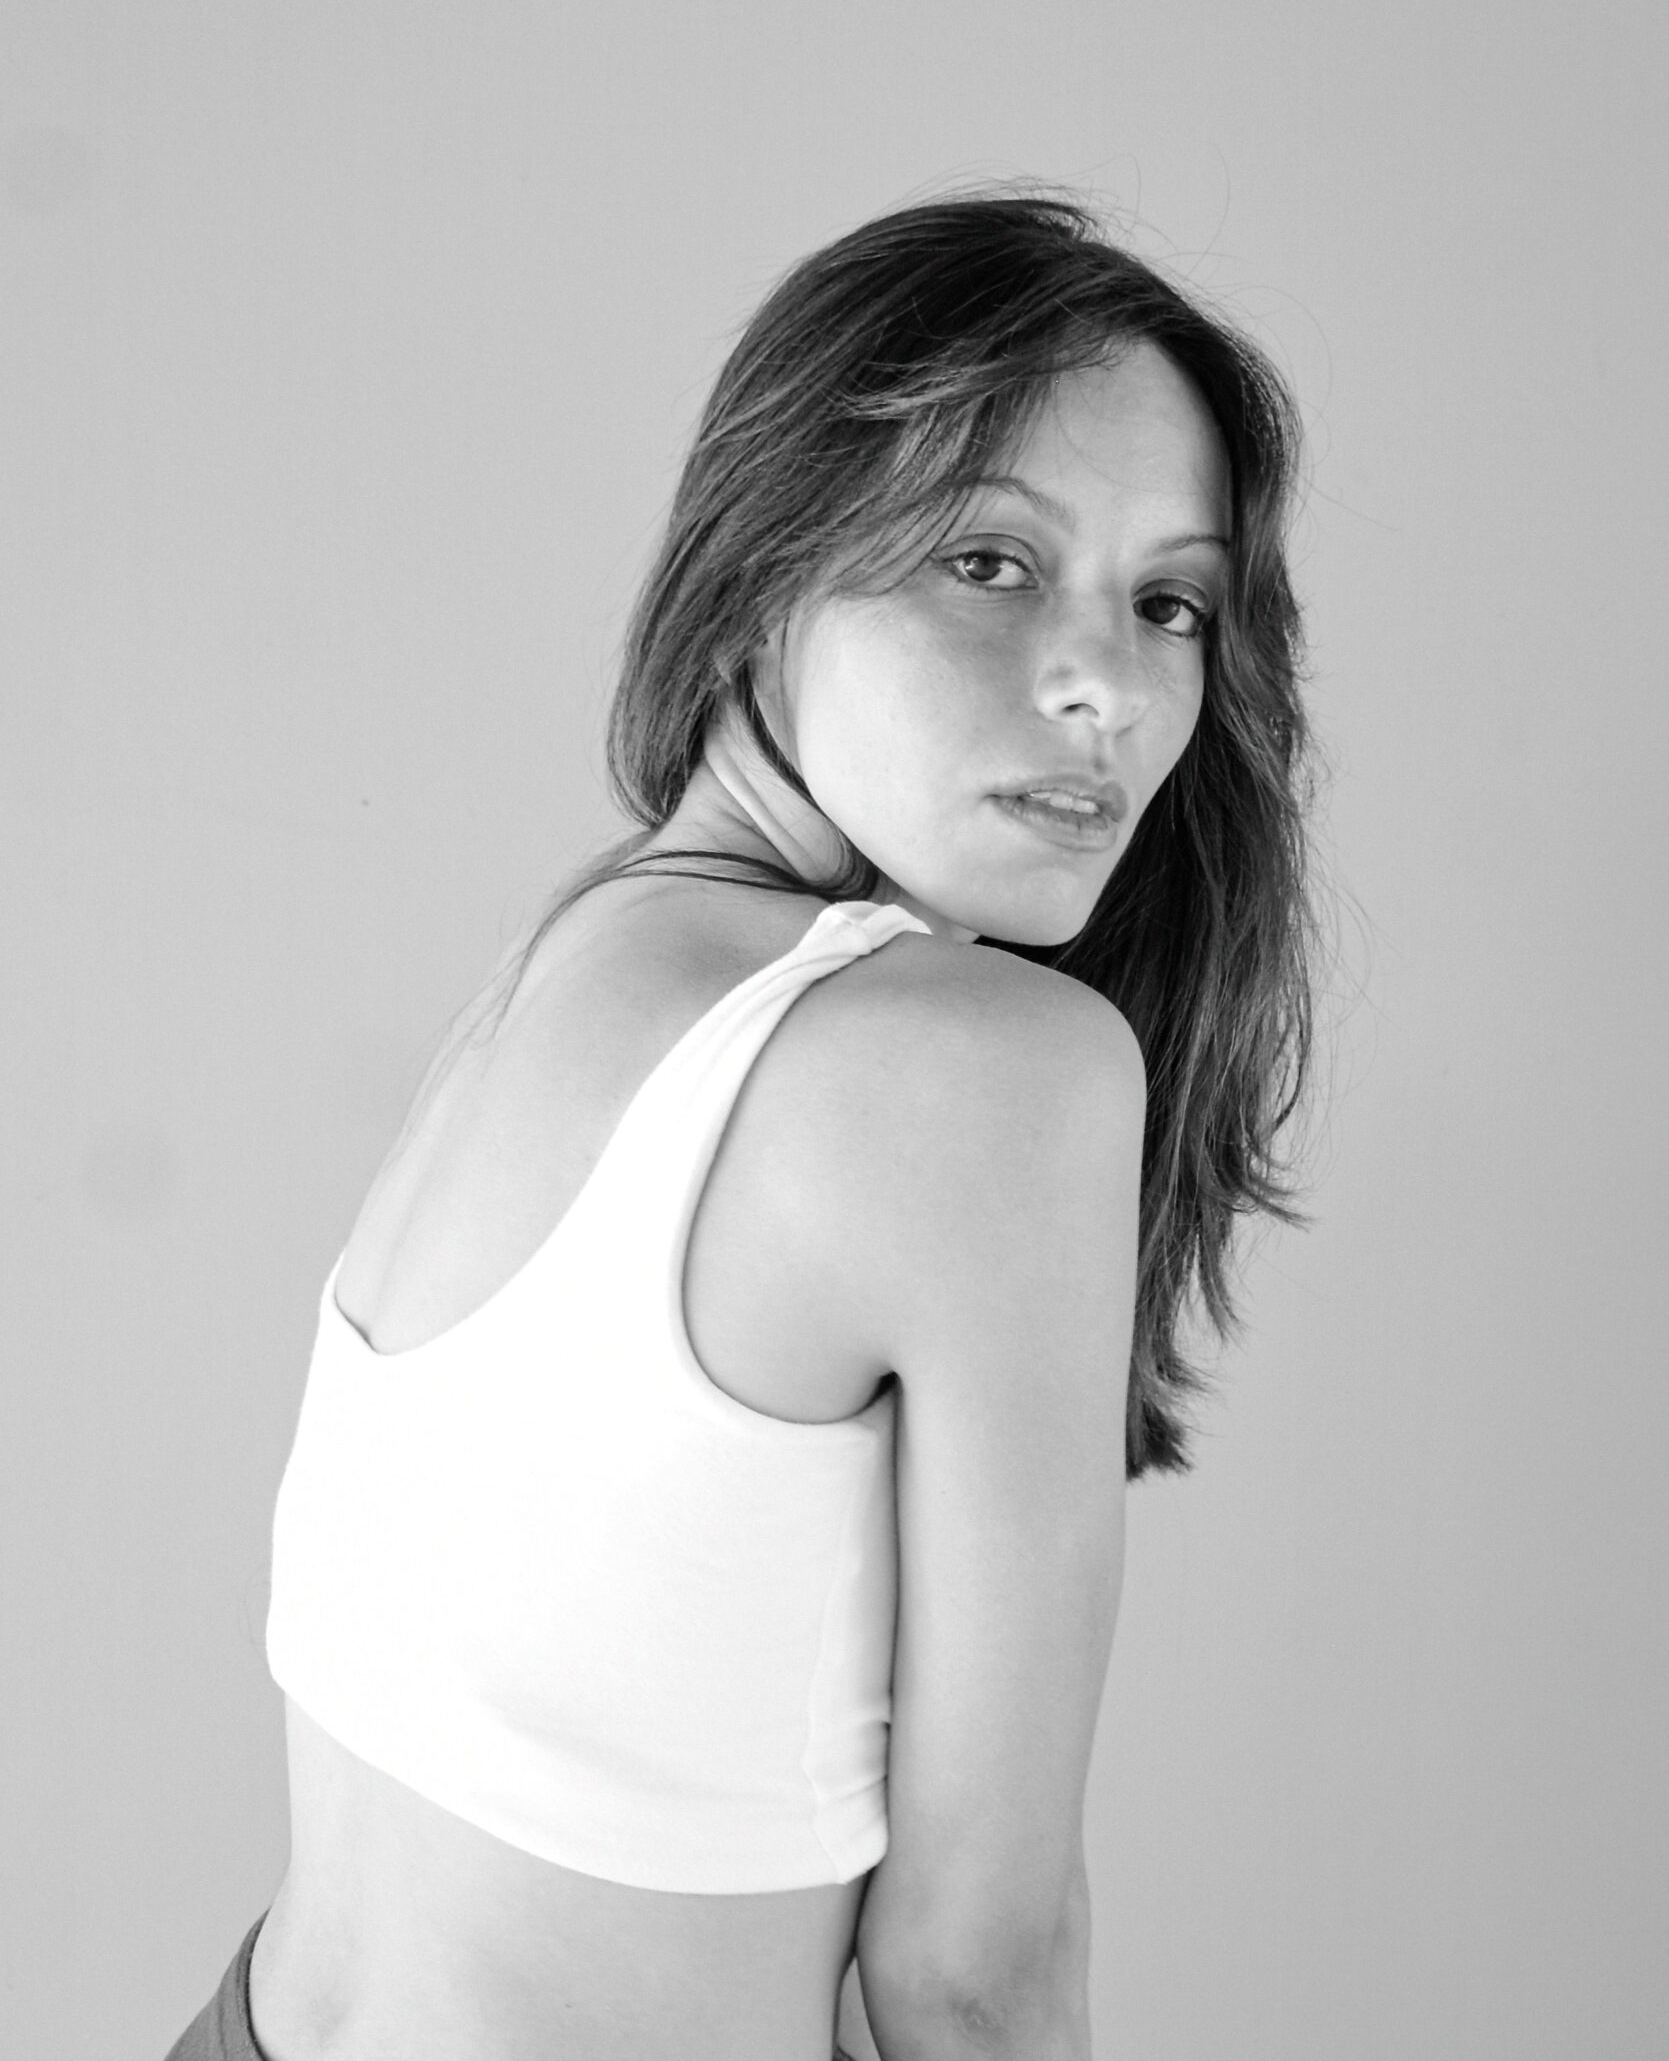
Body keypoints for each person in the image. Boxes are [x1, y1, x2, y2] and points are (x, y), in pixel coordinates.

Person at [166, 190, 1317, 2061]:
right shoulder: (984, 1071)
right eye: (988, 562)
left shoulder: (573, 959)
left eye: (1167, 604)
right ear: (769, 565)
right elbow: (972, 1976)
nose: (1105, 685)